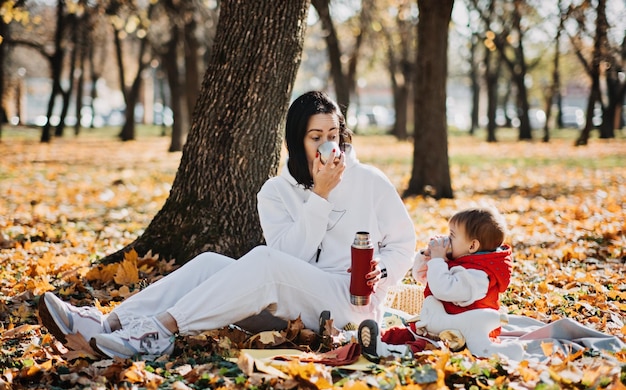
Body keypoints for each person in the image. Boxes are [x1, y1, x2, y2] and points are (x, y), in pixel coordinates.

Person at [38, 91, 416, 359]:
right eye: (315, 137)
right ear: (294, 142)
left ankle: (161, 331)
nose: (327, 147)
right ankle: (107, 323)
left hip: (347, 309)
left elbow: (403, 243)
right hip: (290, 305)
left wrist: (381, 275)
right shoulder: (274, 192)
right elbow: (290, 258)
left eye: (333, 137)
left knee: (264, 262)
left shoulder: (369, 180)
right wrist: (318, 197)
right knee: (207, 264)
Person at [358, 206, 525, 361]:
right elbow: (422, 277)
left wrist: (438, 261)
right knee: (402, 334)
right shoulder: (460, 261)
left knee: (426, 349)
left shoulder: (479, 276)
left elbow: (443, 289)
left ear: (472, 245)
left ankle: (386, 352)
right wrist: (427, 257)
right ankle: (367, 339)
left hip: (458, 338)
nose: (447, 239)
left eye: (452, 235)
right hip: (434, 328)